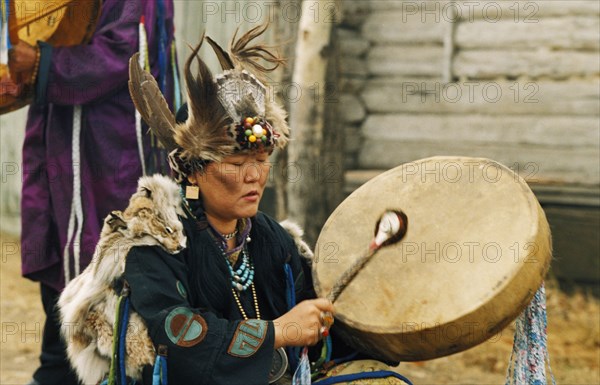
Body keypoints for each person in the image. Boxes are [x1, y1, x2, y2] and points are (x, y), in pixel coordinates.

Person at [7, 1, 177, 384]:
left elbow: (125, 51)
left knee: (111, 268)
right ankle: (57, 365)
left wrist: (41, 61)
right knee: (62, 273)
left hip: (112, 148)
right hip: (60, 138)